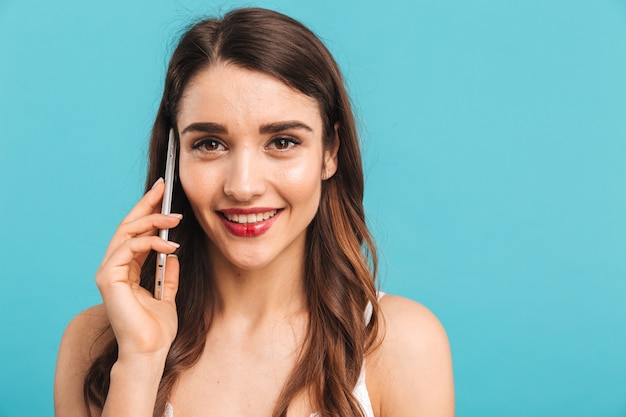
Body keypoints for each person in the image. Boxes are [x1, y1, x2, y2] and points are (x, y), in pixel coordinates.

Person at [54, 7, 454, 417]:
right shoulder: (94, 344)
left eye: (282, 142)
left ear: (330, 152)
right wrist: (139, 361)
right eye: (210, 144)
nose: (243, 187)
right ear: (175, 159)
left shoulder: (401, 343)